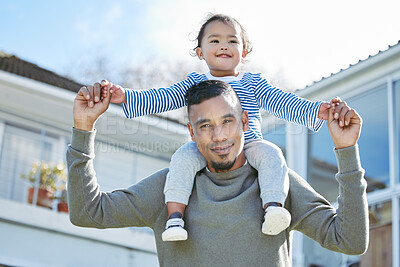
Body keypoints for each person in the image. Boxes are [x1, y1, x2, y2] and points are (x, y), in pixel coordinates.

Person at [84, 14, 346, 241]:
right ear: (200, 52)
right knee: (182, 159)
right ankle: (175, 217)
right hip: (205, 147)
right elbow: (162, 96)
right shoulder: (194, 82)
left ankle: (273, 207)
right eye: (215, 40)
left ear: (244, 52)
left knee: (273, 154)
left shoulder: (252, 82)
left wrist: (315, 111)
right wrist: (125, 96)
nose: (224, 46)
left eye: (232, 41)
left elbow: (282, 101)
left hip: (249, 144)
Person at [68, 80, 368, 266]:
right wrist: (83, 128)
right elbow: (88, 212)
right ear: (192, 132)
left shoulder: (277, 182)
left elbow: (349, 241)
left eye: (227, 121)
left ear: (245, 122)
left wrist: (347, 152)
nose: (219, 136)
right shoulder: (172, 187)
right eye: (205, 125)